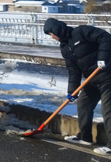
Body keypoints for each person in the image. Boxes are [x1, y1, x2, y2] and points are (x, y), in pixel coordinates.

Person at [44, 18, 111, 155]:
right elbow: (73, 71)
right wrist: (72, 91)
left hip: (108, 75)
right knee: (83, 103)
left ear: (57, 30)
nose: (52, 37)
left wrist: (103, 57)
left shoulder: (81, 32)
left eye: (51, 33)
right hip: (93, 79)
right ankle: (85, 137)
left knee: (108, 109)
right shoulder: (65, 47)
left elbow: (105, 37)